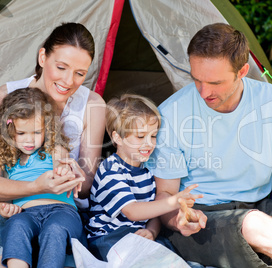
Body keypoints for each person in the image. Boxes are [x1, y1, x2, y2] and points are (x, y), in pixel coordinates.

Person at [147, 23, 272, 268]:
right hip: (203, 218)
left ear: (243, 71)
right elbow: (166, 196)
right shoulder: (171, 114)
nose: (204, 92)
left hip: (262, 206)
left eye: (215, 82)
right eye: (196, 79)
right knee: (253, 225)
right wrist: (178, 220)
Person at [0, 22, 106, 268]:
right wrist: (35, 185)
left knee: (56, 242)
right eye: (61, 67)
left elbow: (86, 187)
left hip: (59, 207)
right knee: (2, 259)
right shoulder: (1, 100)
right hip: (2, 204)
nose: (68, 81)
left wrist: (74, 175)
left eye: (80, 73)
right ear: (43, 56)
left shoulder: (93, 105)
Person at [85, 94, 203, 261]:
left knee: (167, 251)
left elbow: (153, 212)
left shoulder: (146, 171)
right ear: (117, 137)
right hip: (107, 237)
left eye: (153, 136)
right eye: (140, 137)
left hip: (136, 236)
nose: (149, 143)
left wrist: (152, 231)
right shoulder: (110, 170)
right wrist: (174, 201)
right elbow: (132, 211)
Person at [0, 87, 86, 267]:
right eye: (21, 133)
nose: (29, 141)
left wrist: (63, 171)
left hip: (62, 211)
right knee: (15, 226)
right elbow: (4, 191)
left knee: (54, 230)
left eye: (36, 133)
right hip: (26, 213)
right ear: (10, 131)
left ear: (47, 128)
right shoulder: (9, 162)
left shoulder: (54, 149)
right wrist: (5, 207)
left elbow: (61, 162)